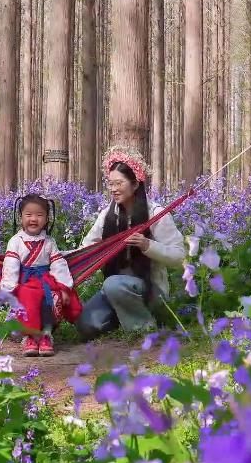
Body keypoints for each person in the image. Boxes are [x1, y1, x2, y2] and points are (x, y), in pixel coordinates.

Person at [76, 146, 186, 340]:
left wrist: (147, 246)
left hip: (151, 291)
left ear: (135, 184)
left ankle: (144, 331)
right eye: (110, 184)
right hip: (114, 289)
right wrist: (58, 259)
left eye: (119, 183)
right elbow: (86, 249)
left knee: (113, 284)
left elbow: (179, 257)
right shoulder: (107, 215)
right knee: (86, 324)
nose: (113, 189)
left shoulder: (156, 214)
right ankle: (125, 315)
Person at [0, 194, 83, 357]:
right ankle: (30, 336)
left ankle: (46, 335)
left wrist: (64, 288)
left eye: (39, 215)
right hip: (25, 281)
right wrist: (8, 289)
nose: (33, 219)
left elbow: (59, 265)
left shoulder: (49, 242)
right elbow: (10, 265)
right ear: (21, 217)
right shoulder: (15, 241)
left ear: (46, 219)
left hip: (46, 281)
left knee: (51, 298)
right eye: (28, 215)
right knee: (27, 297)